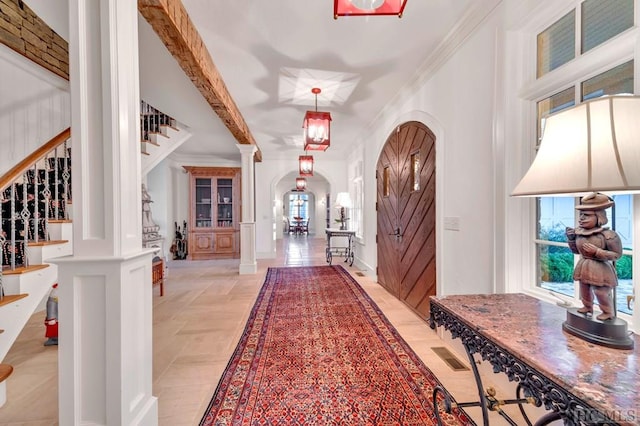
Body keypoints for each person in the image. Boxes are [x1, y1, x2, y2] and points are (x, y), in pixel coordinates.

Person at [565, 193, 622, 321]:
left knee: (601, 292)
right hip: (584, 266)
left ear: (599, 217)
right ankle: (587, 307)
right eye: (581, 215)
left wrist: (598, 252)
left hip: (601, 269)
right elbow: (576, 251)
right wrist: (571, 239)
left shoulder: (608, 235)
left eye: (587, 215)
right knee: (584, 289)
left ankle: (607, 312)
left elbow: (617, 255)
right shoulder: (580, 233)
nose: (582, 218)